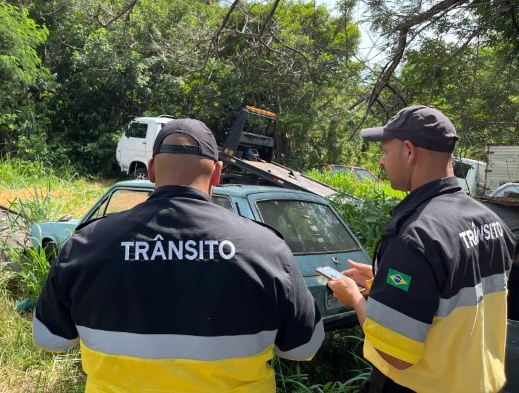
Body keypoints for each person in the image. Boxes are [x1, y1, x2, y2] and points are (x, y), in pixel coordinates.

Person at [33, 118, 324, 392]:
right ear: (218, 174)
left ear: (150, 171)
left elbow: (50, 339)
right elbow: (303, 347)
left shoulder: (86, 244)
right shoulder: (266, 248)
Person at [328, 105, 516, 393]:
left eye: (385, 151)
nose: (380, 160)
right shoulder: (492, 222)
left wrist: (354, 297)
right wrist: (382, 282)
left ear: (409, 151)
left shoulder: (416, 237)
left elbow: (395, 353)